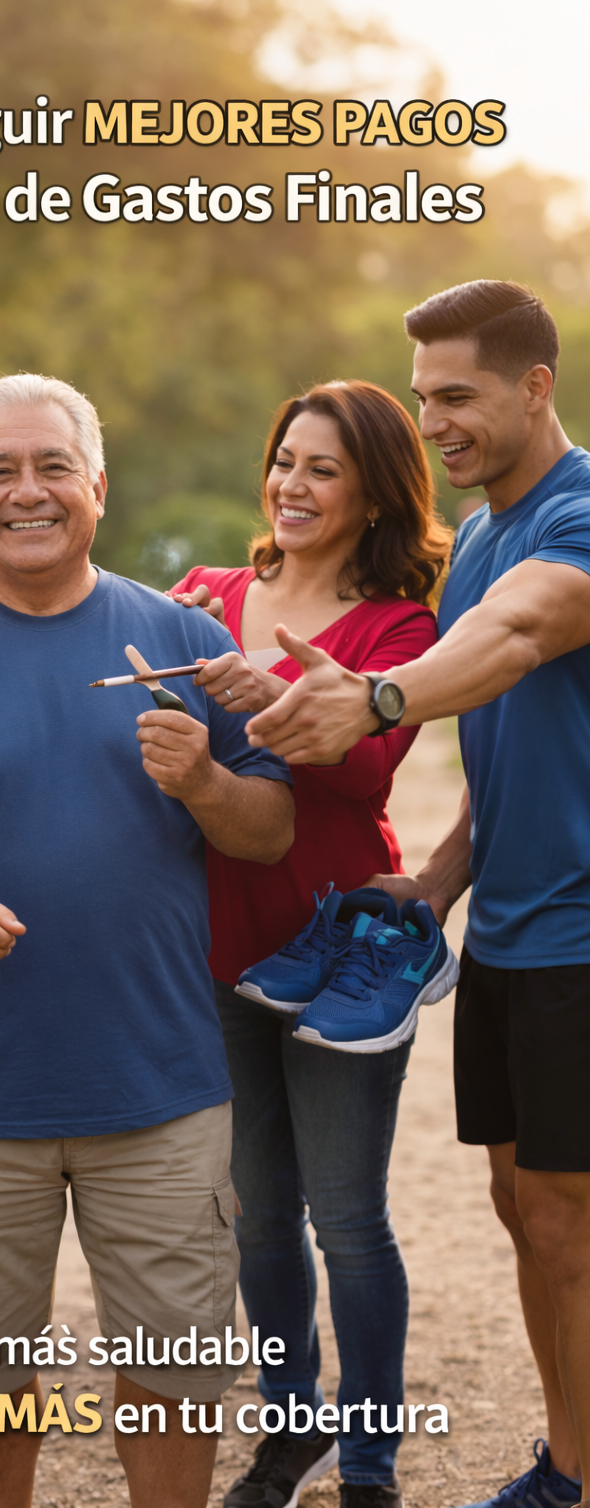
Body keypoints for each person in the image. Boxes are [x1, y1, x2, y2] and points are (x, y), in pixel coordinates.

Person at [0, 372, 295, 1508]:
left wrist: (207, 781)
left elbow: (269, 830)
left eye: (52, 468)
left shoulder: (182, 639)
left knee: (174, 1380)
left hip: (162, 1093)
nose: (28, 492)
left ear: (98, 488)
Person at [246, 282, 590, 1508]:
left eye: (458, 396)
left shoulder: (575, 519)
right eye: (425, 396)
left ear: (532, 386)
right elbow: (521, 751)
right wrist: (438, 877)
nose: (435, 421)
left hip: (581, 938)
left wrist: (381, 697)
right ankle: (564, 1461)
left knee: (564, 1216)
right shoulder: (487, 532)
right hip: (506, 929)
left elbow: (520, 634)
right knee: (522, 1206)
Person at [169, 381, 450, 1508]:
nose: (292, 483)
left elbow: (367, 768)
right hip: (213, 943)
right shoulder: (199, 596)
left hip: (343, 954)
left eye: (323, 468)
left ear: (373, 490)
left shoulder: (399, 628)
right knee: (257, 1213)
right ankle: (292, 1434)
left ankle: (370, 1463)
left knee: (346, 1215)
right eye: (285, 459)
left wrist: (270, 685)